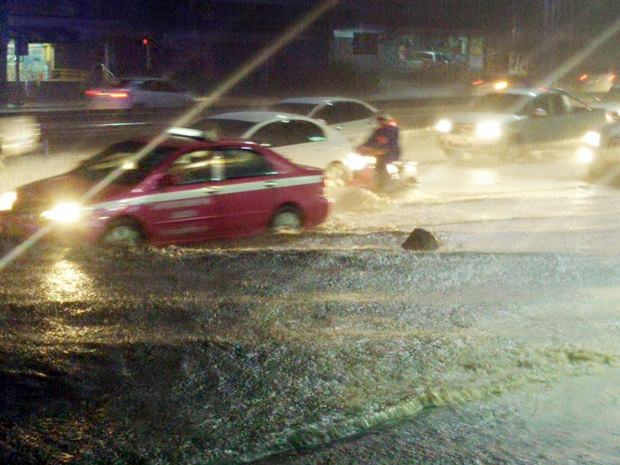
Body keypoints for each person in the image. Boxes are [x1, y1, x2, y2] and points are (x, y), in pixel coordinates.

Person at [356, 112, 401, 191]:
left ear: (387, 120)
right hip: (379, 153)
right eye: (379, 120)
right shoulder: (378, 131)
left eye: (383, 119)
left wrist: (382, 150)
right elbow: (370, 141)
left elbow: (391, 142)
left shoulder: (392, 130)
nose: (381, 121)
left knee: (381, 167)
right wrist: (362, 147)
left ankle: (383, 186)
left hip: (391, 153)